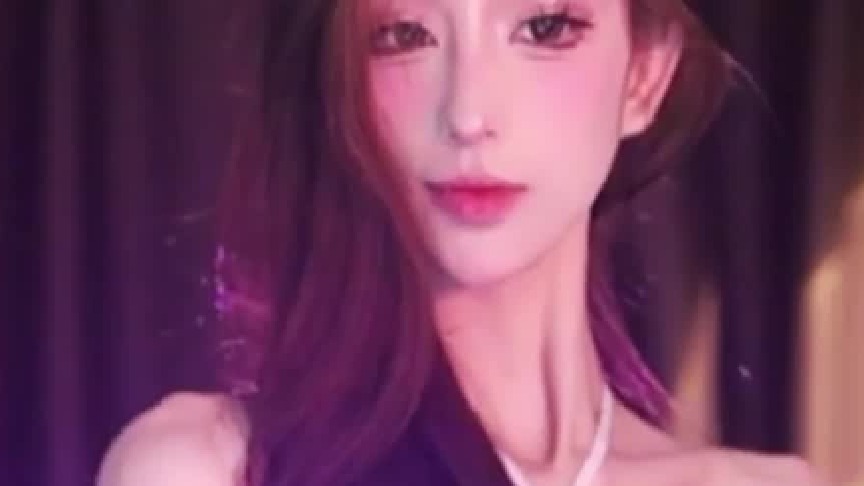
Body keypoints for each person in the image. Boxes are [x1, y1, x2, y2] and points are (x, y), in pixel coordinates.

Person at [97, 0, 828, 485]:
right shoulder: (211, 468)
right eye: (403, 34)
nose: (469, 113)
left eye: (544, 27)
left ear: (645, 72)